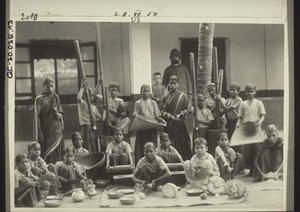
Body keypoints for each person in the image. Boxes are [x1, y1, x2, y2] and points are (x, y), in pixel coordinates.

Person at [236, 83, 266, 177]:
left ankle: (256, 171)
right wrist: (238, 124)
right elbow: (240, 117)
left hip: (256, 129)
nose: (250, 93)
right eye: (248, 91)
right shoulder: (243, 103)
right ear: (245, 92)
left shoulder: (259, 103)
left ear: (255, 92)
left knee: (256, 150)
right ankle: (250, 171)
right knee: (247, 151)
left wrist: (259, 122)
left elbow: (262, 115)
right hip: (246, 130)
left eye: (252, 91)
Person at [33, 77, 64, 164]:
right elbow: (37, 117)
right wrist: (40, 133)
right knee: (45, 149)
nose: (50, 89)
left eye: (52, 86)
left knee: (56, 151)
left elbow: (59, 114)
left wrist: (56, 113)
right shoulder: (39, 99)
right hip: (45, 130)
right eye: (48, 87)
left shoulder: (56, 97)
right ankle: (46, 169)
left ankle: (56, 169)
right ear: (43, 87)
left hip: (56, 130)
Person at [133, 84, 167, 164]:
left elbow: (157, 116)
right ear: (140, 92)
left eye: (147, 91)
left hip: (152, 128)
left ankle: (153, 163)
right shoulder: (138, 103)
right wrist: (136, 116)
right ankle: (141, 164)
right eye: (144, 91)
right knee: (141, 146)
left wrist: (162, 120)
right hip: (142, 128)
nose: (145, 93)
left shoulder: (153, 103)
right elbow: (136, 115)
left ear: (150, 92)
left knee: (152, 146)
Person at [161, 75, 192, 161]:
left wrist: (180, 114)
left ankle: (184, 161)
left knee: (183, 143)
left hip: (180, 124)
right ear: (168, 85)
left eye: (175, 83)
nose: (173, 85)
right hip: (169, 125)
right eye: (171, 83)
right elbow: (161, 111)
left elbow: (188, 109)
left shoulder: (183, 96)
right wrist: (169, 116)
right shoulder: (165, 98)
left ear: (178, 84)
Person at [77, 79, 103, 153]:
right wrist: (82, 88)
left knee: (93, 143)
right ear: (85, 96)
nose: (91, 97)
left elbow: (100, 118)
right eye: (89, 96)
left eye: (92, 96)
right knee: (86, 144)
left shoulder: (93, 107)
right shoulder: (82, 104)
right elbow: (78, 98)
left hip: (93, 127)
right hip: (85, 126)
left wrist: (98, 84)